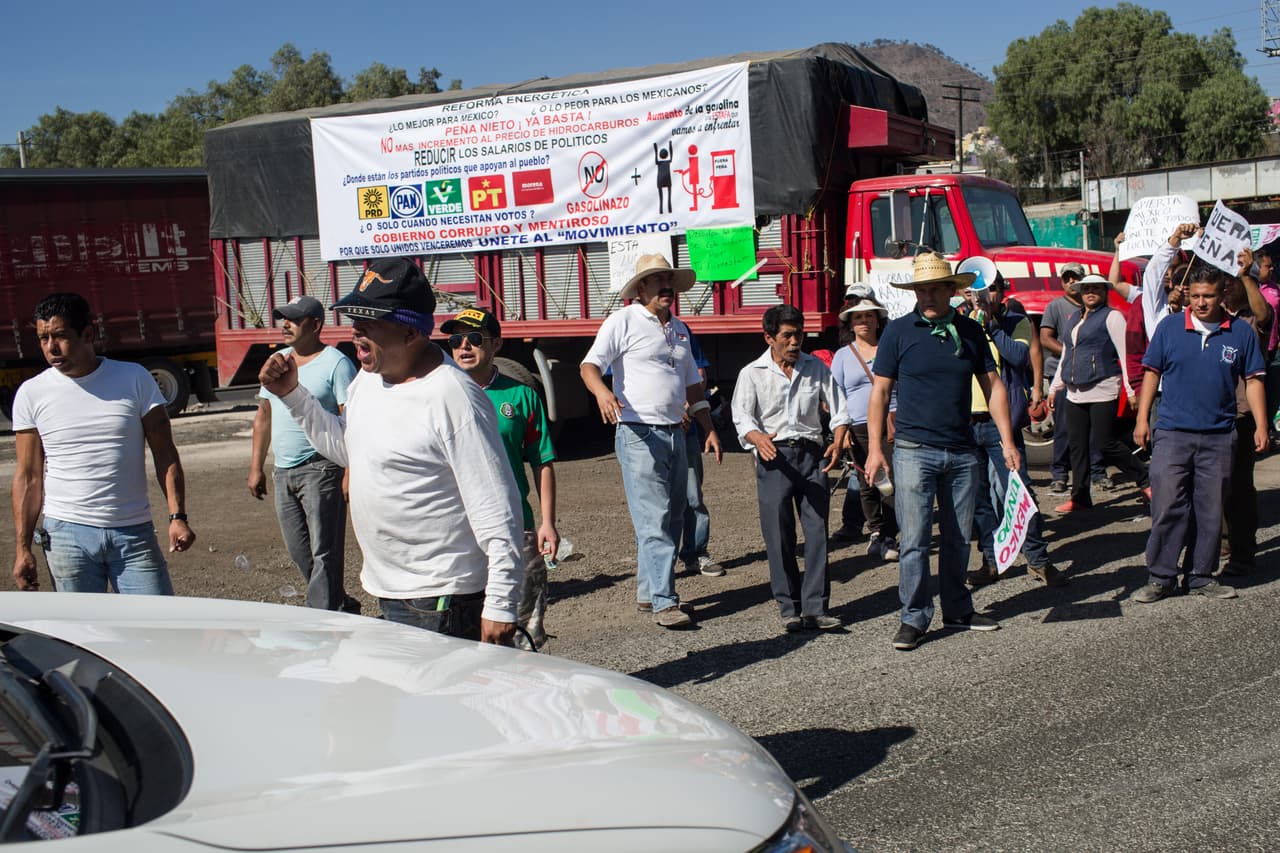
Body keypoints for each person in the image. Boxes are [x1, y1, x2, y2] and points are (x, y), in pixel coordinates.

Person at [259, 257, 523, 644]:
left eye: (369, 324)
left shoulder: (453, 396)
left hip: (444, 601)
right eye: (354, 321)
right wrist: (293, 397)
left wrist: (501, 603)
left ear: (411, 332)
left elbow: (498, 508)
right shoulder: (368, 380)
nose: (355, 333)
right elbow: (353, 453)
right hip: (390, 591)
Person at [864, 252, 1020, 651]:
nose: (927, 295)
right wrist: (876, 449)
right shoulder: (898, 332)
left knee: (957, 538)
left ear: (952, 290)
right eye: (921, 289)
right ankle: (913, 617)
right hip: (914, 451)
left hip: (963, 451)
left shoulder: (970, 331)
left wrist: (1007, 441)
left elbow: (994, 386)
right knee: (915, 539)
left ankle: (958, 610)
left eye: (935, 288)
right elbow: (880, 391)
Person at [11, 292, 195, 593]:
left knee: (157, 627)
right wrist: (22, 549)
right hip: (66, 537)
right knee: (81, 636)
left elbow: (165, 454)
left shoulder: (134, 379)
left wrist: (177, 517)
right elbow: (28, 477)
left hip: (133, 533)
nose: (51, 348)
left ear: (88, 334)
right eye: (43, 338)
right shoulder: (32, 393)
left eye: (59, 336)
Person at [580, 255, 723, 629]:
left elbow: (693, 383)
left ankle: (648, 591)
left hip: (677, 431)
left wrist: (708, 427)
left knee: (673, 515)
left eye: (669, 280)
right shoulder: (623, 320)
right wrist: (602, 394)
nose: (666, 286)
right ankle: (664, 601)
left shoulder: (679, 329)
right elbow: (589, 365)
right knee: (655, 518)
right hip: (638, 431)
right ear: (641, 288)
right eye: (657, 280)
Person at [1132, 264, 1267, 603]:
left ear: (1222, 295)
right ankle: (1161, 576)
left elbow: (1253, 380)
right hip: (1173, 433)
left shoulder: (1241, 332)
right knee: (1167, 506)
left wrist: (1262, 425)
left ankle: (1201, 576)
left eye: (1208, 296)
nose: (1201, 303)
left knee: (1209, 509)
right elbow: (1151, 372)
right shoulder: (1170, 328)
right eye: (1195, 296)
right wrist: (1142, 419)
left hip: (1220, 435)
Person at [442, 307, 559, 649]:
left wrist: (547, 523)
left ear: (496, 345)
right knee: (460, 629)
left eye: (475, 339)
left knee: (520, 628)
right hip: (456, 529)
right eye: (455, 340)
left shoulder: (521, 396)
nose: (464, 346)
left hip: (513, 526)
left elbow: (543, 461)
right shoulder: (441, 394)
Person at [732, 305, 850, 632]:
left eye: (799, 334)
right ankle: (789, 608)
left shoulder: (816, 367)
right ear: (769, 337)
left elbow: (840, 410)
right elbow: (742, 416)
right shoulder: (751, 373)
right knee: (779, 535)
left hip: (812, 457)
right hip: (774, 458)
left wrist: (838, 440)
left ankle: (816, 608)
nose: (795, 341)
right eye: (787, 335)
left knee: (816, 533)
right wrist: (756, 436)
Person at [248, 295, 359, 613]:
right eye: (283, 318)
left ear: (316, 325)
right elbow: (264, 415)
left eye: (294, 319)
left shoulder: (336, 363)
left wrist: (350, 469)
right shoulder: (278, 362)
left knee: (325, 551)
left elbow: (350, 420)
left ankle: (323, 620)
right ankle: (340, 605)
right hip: (283, 472)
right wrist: (256, 466)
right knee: (299, 551)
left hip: (322, 469)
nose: (285, 324)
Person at [961, 272, 1065, 587]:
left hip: (999, 422)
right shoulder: (960, 321)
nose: (983, 295)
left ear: (1001, 292)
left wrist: (990, 325)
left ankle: (1038, 560)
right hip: (967, 421)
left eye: (991, 288)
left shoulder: (1015, 321)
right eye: (977, 289)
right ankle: (992, 562)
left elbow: (1018, 356)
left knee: (1017, 492)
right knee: (978, 499)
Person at [1047, 274, 1149, 513]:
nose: (1090, 292)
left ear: (1104, 292)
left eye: (1096, 289)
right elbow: (1066, 355)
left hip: (1103, 388)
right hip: (1074, 392)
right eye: (1086, 289)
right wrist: (1055, 388)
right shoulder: (1074, 317)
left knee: (1105, 443)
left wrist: (1130, 388)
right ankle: (1080, 497)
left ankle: (1145, 479)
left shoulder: (1112, 316)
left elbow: (1125, 354)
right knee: (1077, 446)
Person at [829, 295, 899, 563]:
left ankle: (889, 533)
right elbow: (836, 395)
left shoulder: (890, 347)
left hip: (893, 423)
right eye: (858, 317)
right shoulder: (843, 356)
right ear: (851, 323)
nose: (864, 321)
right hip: (857, 425)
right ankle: (877, 531)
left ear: (878, 320)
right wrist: (841, 429)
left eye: (869, 315)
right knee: (868, 481)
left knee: (893, 481)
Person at [1218, 251, 1272, 577]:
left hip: (1242, 414)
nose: (1226, 288)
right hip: (1211, 416)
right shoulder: (1211, 319)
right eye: (1221, 284)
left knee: (1239, 488)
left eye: (1230, 283)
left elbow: (1264, 313)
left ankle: (1242, 552)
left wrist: (1246, 274)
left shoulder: (1252, 320)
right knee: (1213, 487)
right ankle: (1221, 543)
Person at [1040, 263, 1108, 494]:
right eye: (1066, 278)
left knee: (1095, 430)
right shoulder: (1055, 306)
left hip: (1094, 378)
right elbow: (1045, 338)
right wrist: (1071, 353)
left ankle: (1098, 472)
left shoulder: (1099, 310)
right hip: (1063, 376)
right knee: (1063, 428)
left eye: (1074, 278)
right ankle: (1059, 474)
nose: (1070, 282)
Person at [678, 331, 723, 577]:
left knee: (693, 495)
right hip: (649, 433)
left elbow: (699, 376)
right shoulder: (626, 325)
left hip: (687, 430)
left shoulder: (680, 330)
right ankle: (657, 568)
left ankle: (696, 552)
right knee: (655, 505)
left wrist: (688, 410)